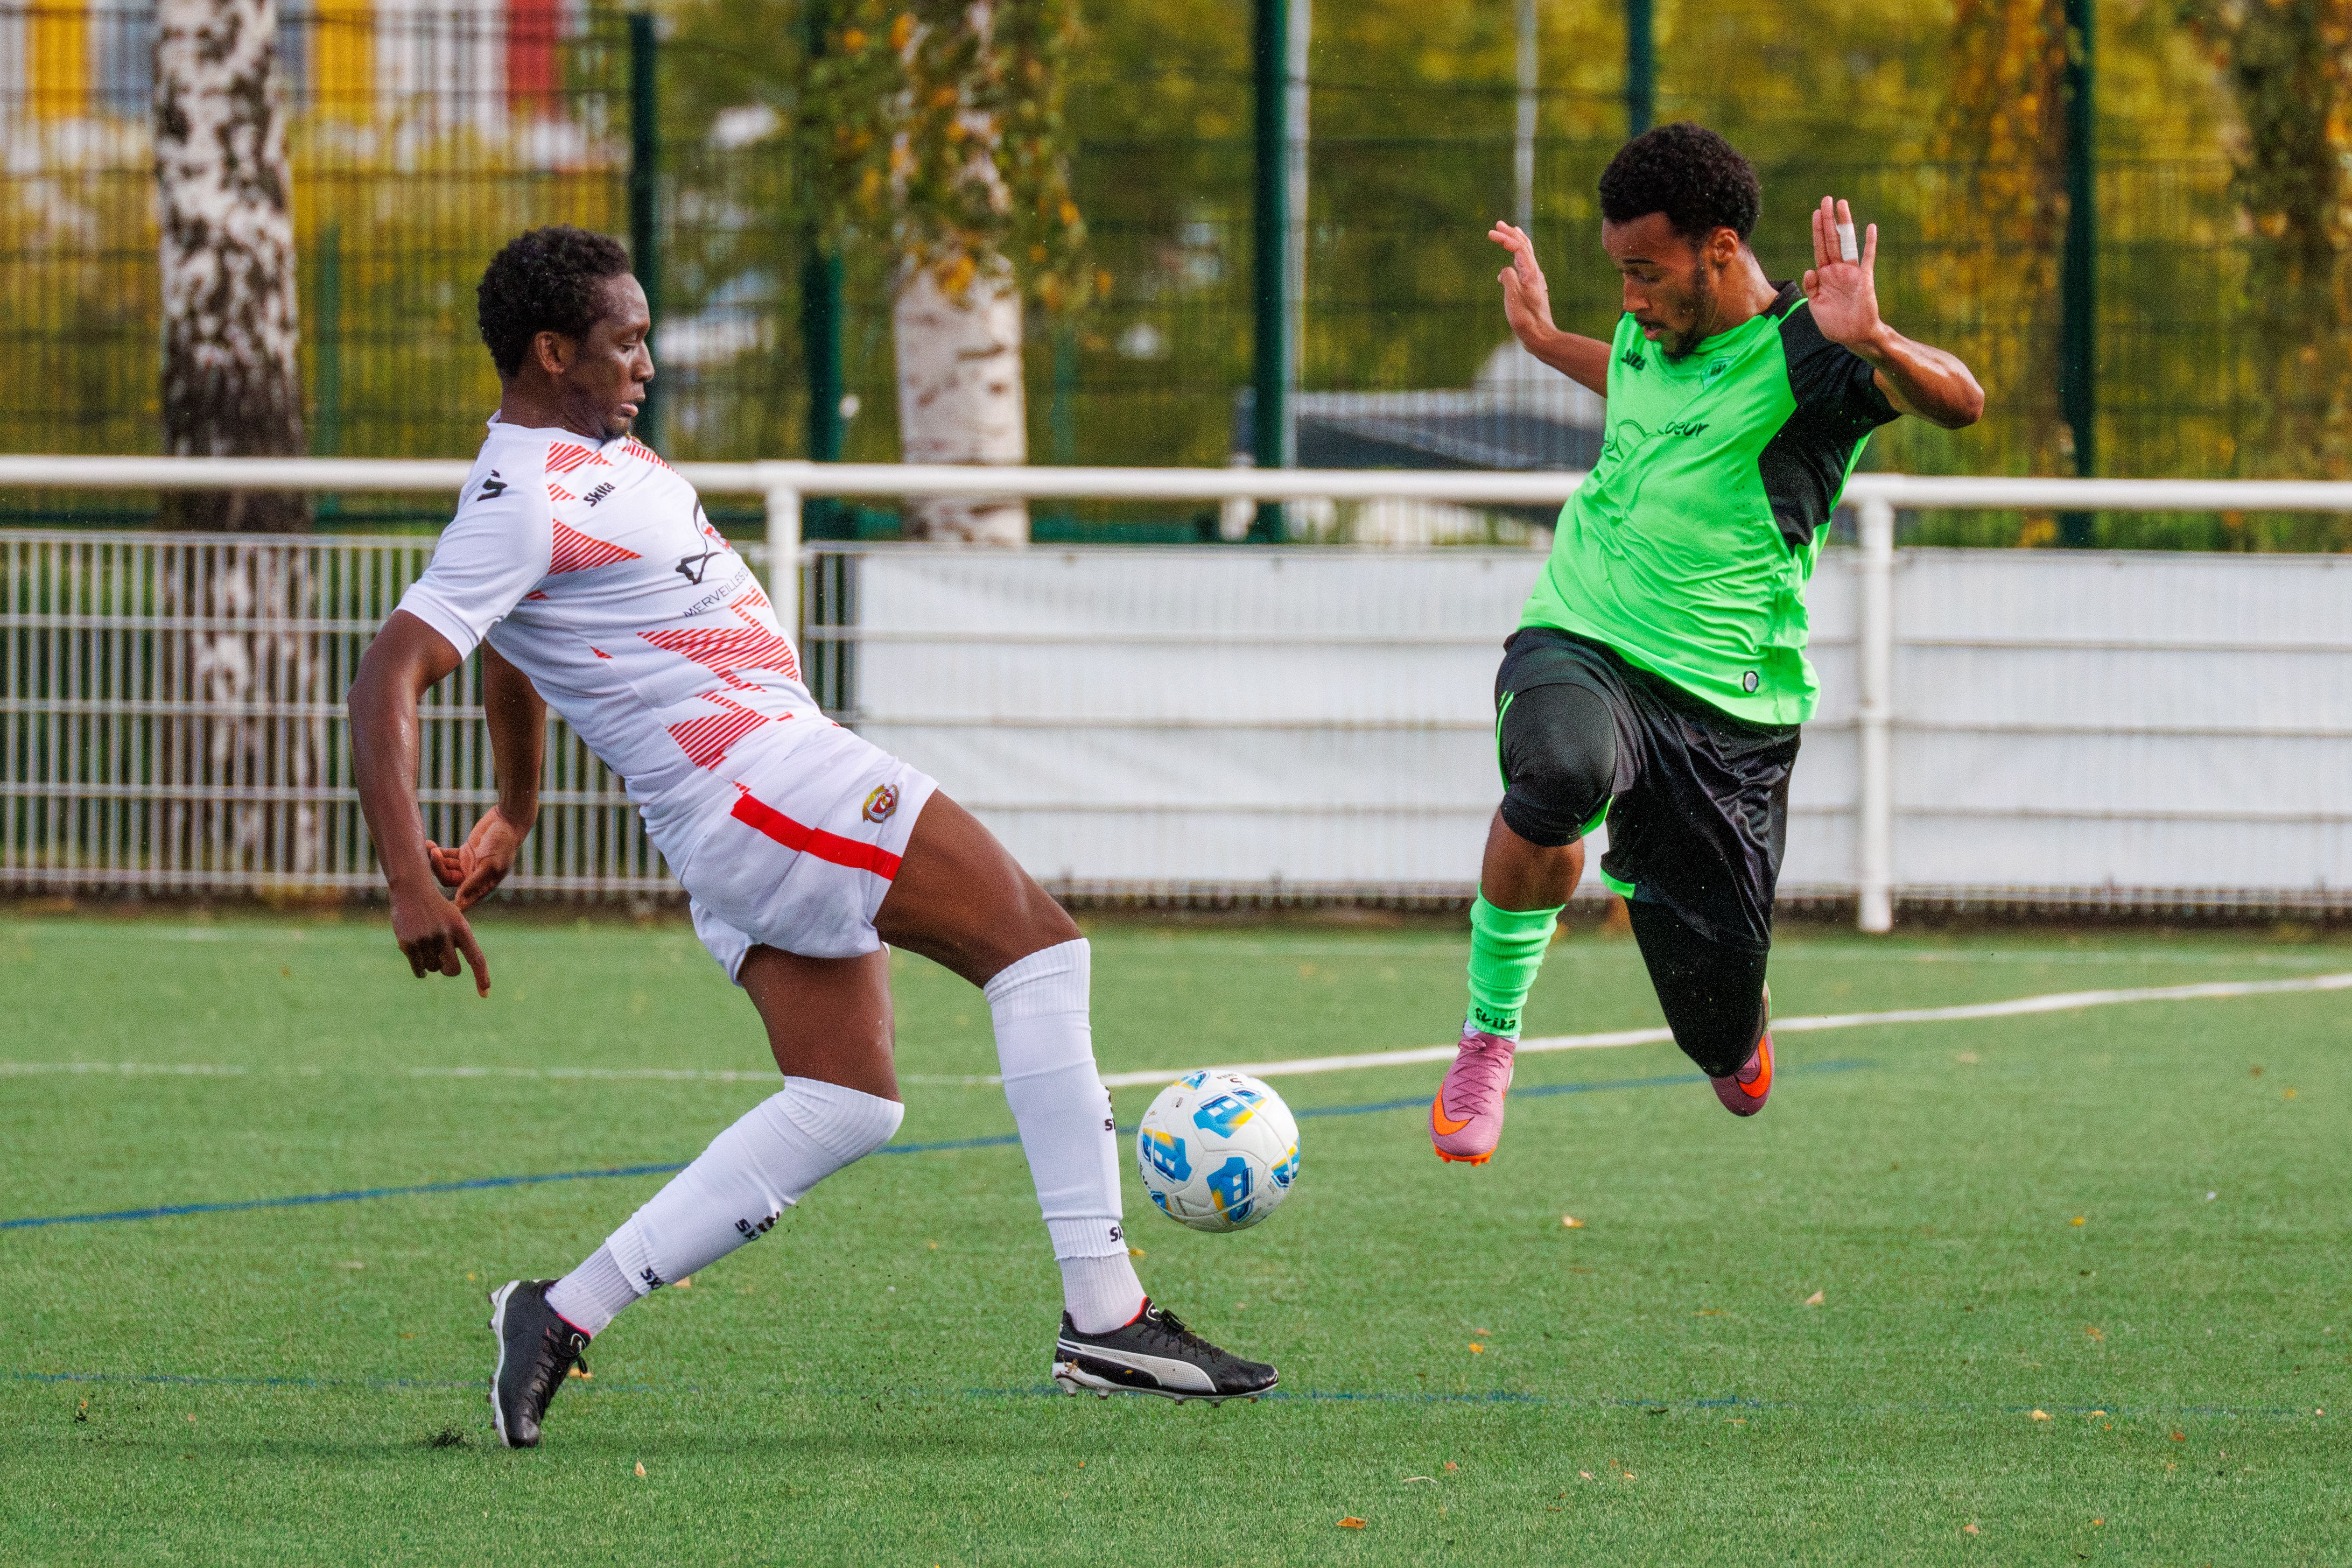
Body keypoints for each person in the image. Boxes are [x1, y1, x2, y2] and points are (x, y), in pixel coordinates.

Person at [347, 226, 1276, 1448]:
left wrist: (517, 809)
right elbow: (389, 673)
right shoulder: (521, 495)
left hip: (749, 805)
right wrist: (408, 880)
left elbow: (506, 645)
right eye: (626, 342)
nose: (648, 363)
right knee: (1040, 952)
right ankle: (1107, 1318)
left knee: (846, 1101)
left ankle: (560, 1313)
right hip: (765, 785)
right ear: (552, 351)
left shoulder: (592, 459)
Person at [1429, 124, 1983, 1164]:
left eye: (1645, 272)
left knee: (1723, 1050)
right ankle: (1487, 1039)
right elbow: (1645, 389)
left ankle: (1731, 1014)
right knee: (1556, 777)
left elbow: (1962, 400)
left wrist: (1876, 340)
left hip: (1726, 715)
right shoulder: (1654, 331)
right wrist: (1547, 343)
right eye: (1620, 273)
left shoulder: (1811, 354)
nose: (1630, 298)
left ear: (1720, 251)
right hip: (1580, 634)